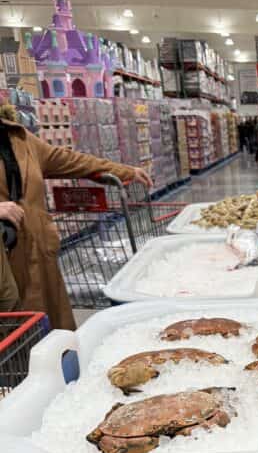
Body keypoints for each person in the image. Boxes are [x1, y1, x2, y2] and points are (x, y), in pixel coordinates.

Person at [0, 104, 150, 330]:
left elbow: (69, 159)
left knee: (51, 332)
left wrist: (123, 171)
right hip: (6, 262)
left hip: (37, 255)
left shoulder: (19, 137)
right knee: (14, 338)